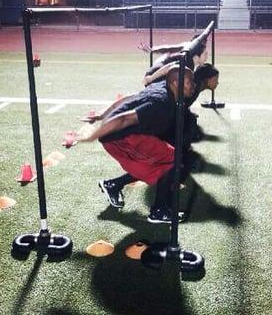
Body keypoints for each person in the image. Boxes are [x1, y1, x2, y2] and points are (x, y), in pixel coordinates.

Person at [74, 66, 194, 224]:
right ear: (175, 83)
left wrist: (102, 114)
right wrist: (92, 136)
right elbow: (124, 119)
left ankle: (113, 185)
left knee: (161, 162)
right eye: (189, 82)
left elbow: (130, 97)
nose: (193, 85)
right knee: (170, 159)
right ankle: (158, 211)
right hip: (119, 138)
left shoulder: (162, 86)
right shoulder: (161, 103)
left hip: (132, 134)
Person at [142, 35, 209, 86]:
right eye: (203, 43)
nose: (204, 46)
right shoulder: (188, 47)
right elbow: (169, 49)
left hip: (165, 70)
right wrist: (153, 50)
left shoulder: (192, 57)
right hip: (159, 69)